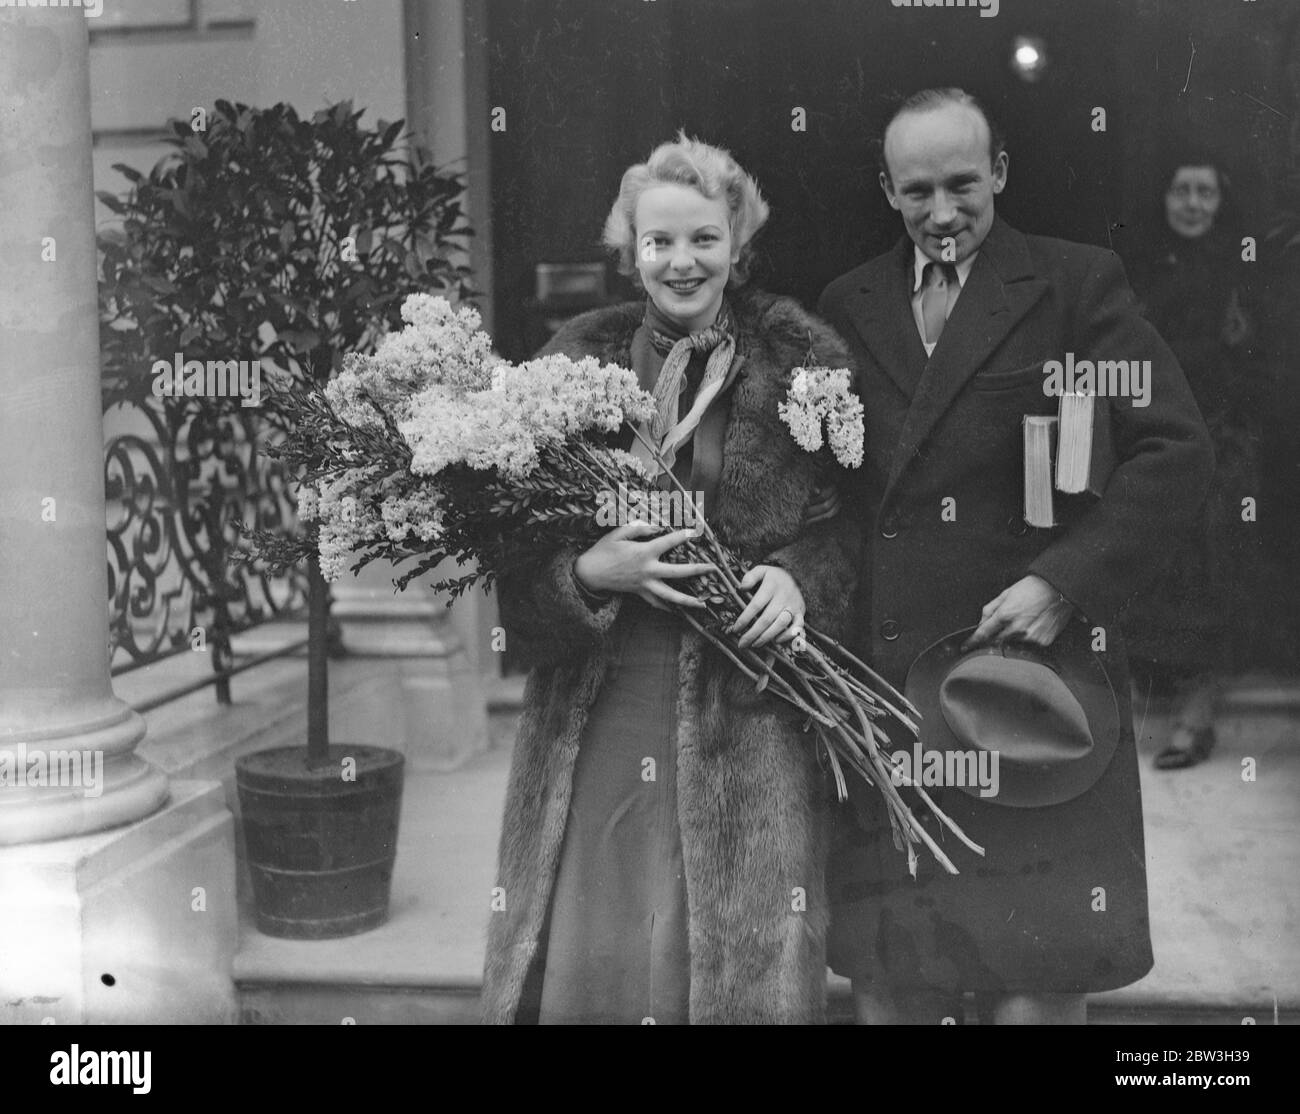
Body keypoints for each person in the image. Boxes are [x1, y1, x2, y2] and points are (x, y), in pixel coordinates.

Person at [817, 88, 1215, 1025]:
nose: (943, 212)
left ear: (999, 172)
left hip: (1042, 682)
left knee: (1040, 984)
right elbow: (828, 491)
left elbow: (1176, 449)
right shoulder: (847, 303)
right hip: (897, 695)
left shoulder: (1077, 286)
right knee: (897, 981)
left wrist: (1063, 580)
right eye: (917, 191)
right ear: (887, 190)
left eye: (963, 184)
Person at [480, 133, 863, 1024]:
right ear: (630, 249)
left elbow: (846, 523)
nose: (680, 263)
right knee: (601, 926)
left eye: (702, 240)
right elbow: (509, 547)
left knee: (719, 943)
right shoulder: (571, 363)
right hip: (604, 694)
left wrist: (801, 581)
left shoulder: (801, 363)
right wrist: (587, 571)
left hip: (748, 703)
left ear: (738, 244)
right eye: (659, 242)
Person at [1121, 147, 1279, 769]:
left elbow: (1258, 364)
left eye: (1205, 193)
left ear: (1220, 201)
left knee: (1213, 557)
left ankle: (1196, 717)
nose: (1192, 204)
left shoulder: (1242, 270)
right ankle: (1150, 694)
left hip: (1224, 439)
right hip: (1156, 434)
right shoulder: (1141, 271)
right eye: (1181, 190)